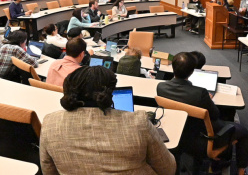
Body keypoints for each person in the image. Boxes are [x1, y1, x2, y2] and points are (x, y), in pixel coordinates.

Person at [40, 66, 176, 174]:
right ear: (110, 93)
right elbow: (168, 169)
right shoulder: (139, 122)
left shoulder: (50, 123)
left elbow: (48, 171)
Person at [157, 52, 248, 175]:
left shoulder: (160, 87)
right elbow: (215, 114)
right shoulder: (200, 93)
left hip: (175, 135)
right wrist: (209, 100)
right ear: (191, 72)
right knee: (243, 132)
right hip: (200, 139)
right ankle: (241, 171)